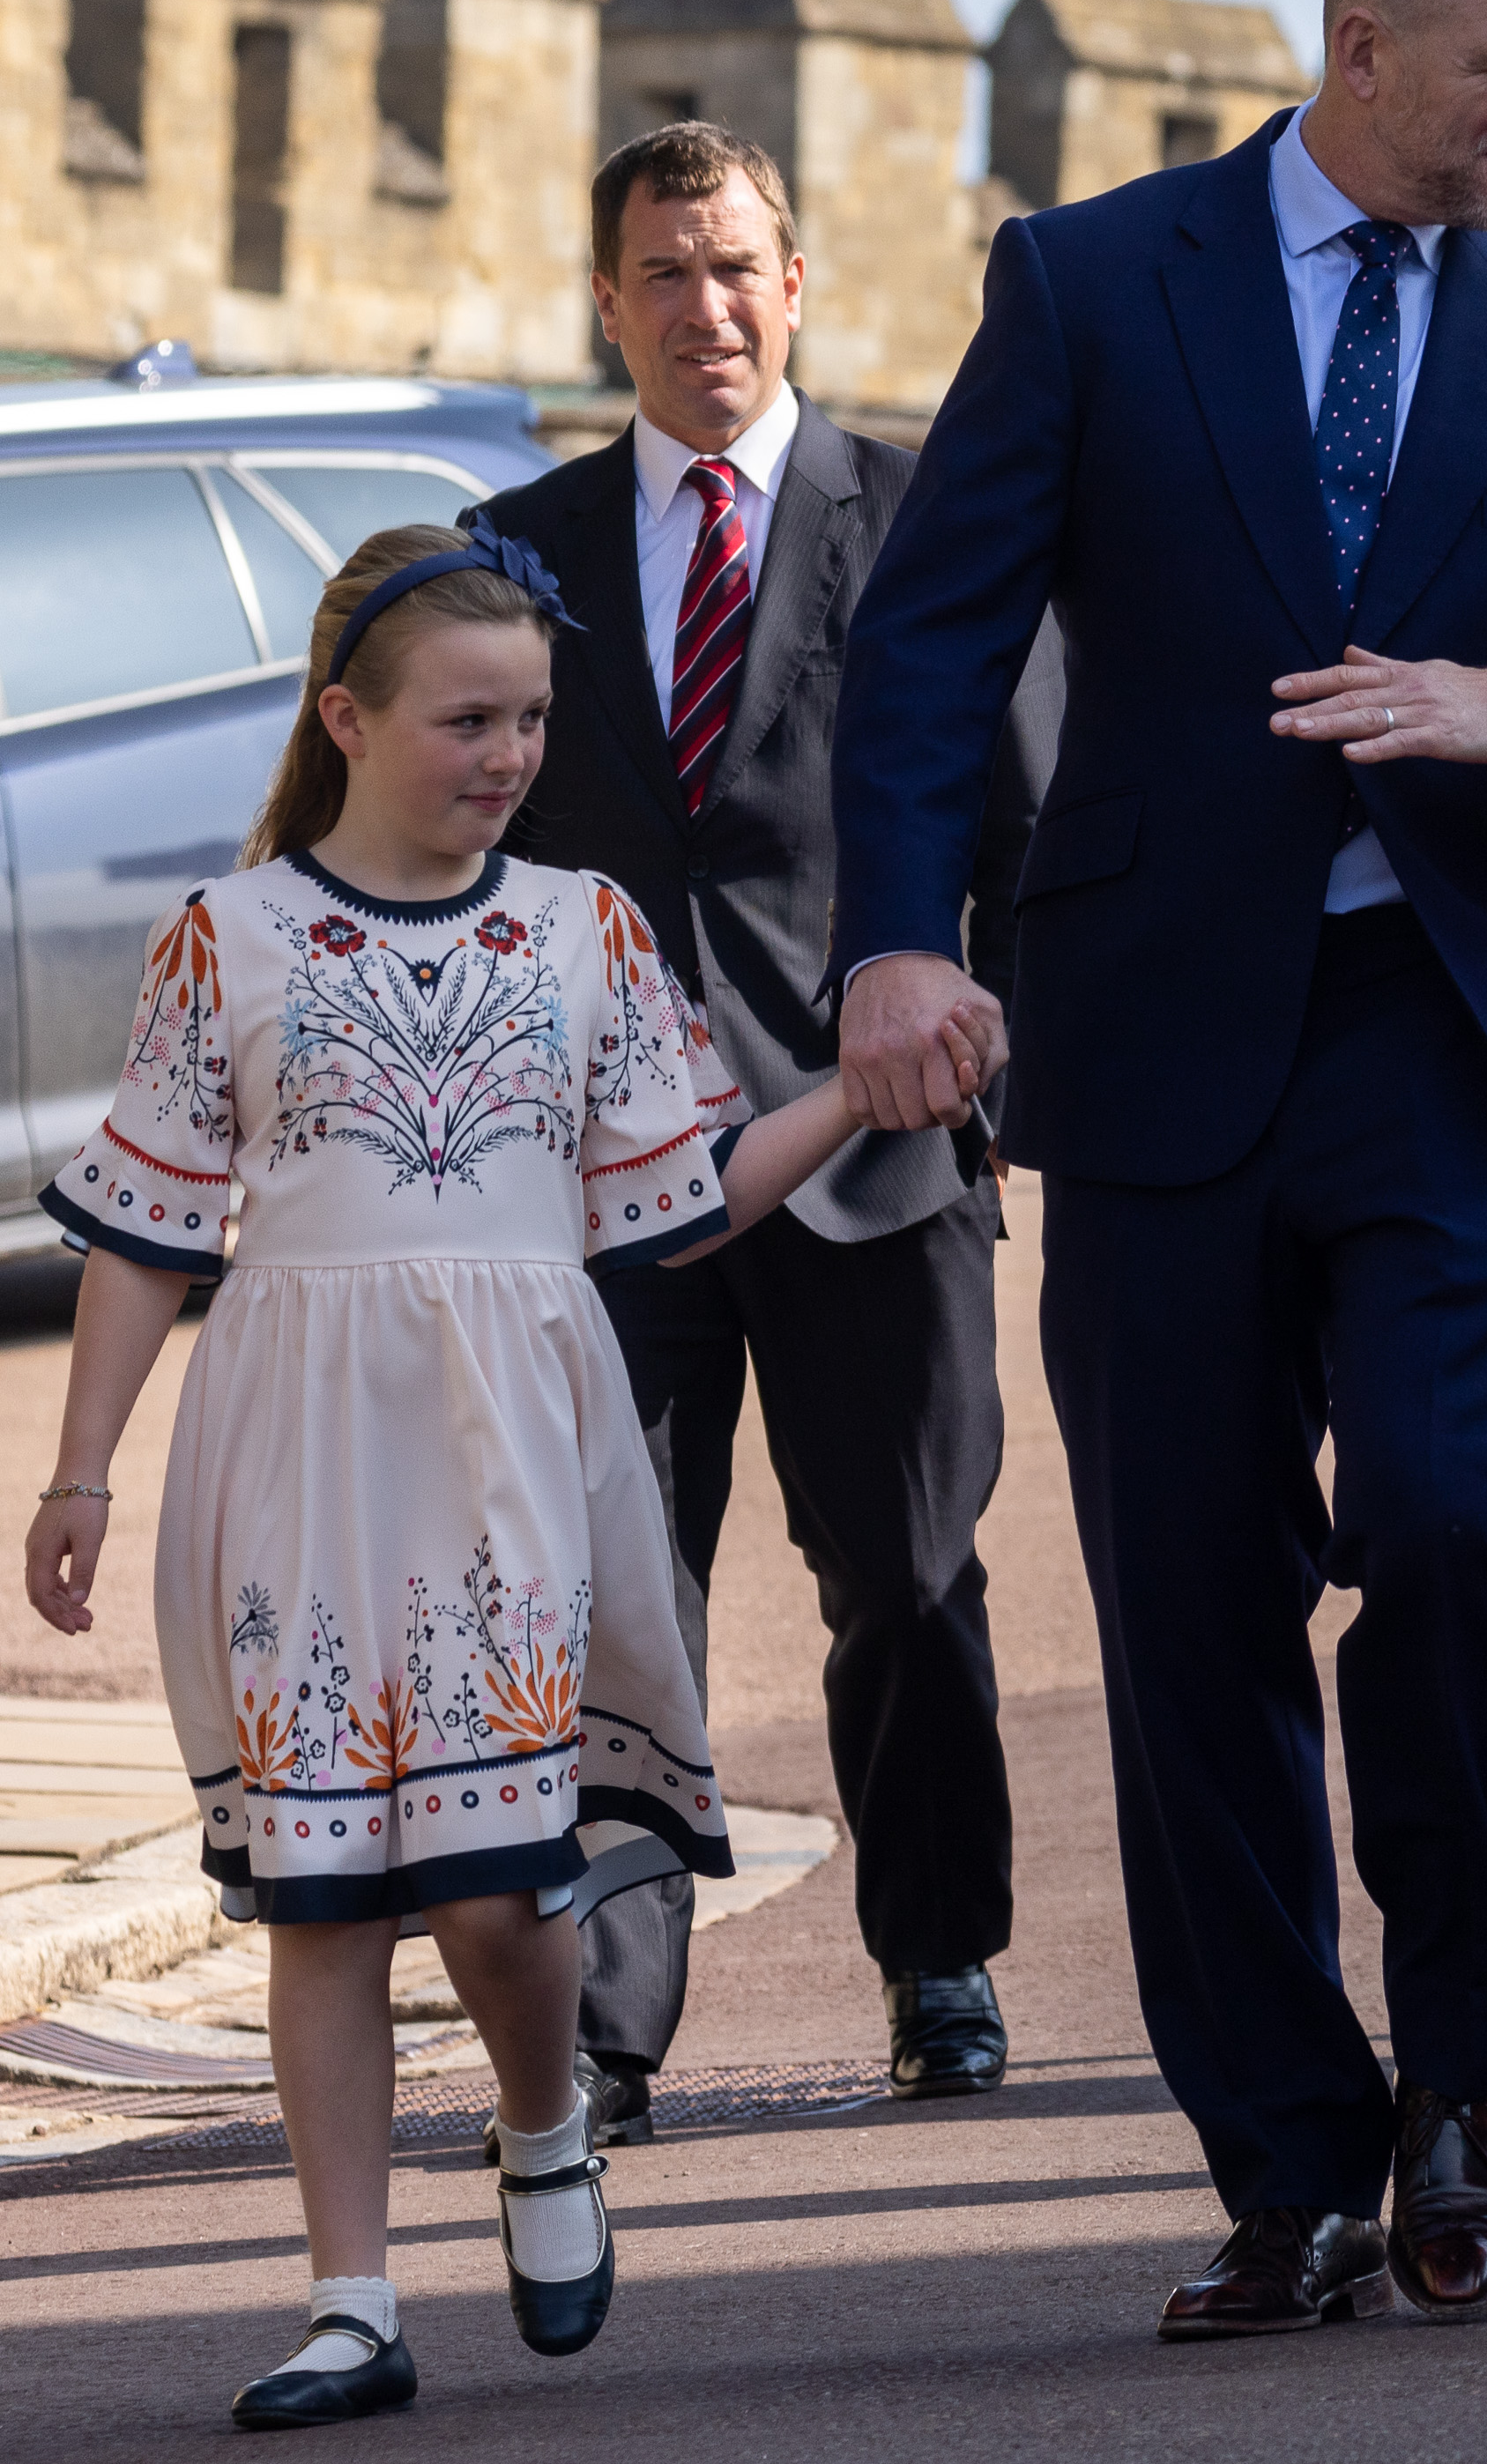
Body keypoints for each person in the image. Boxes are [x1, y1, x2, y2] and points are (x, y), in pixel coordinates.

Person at [827, 0, 1487, 2342]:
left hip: (1448, 1032)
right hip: (1155, 1031)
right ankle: (1284, 2153)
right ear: (1357, 49)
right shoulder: (1093, 281)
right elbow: (932, 640)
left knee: (1468, 1528)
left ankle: (1461, 2082)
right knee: (1187, 1603)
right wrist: (890, 938)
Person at [24, 527, 932, 2427]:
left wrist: (847, 1097)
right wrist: (83, 1466)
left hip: (514, 1446)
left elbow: (679, 1209)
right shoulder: (230, 937)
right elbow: (144, 1231)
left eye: (527, 716)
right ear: (347, 719)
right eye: (468, 718)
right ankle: (350, 2302)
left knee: (501, 1894)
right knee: (325, 1895)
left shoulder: (584, 929)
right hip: (296, 1444)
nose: (507, 750)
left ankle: (540, 2128)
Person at [473, 122, 1045, 2139]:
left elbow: (1025, 829)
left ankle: (943, 1959)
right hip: (595, 1184)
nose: (705, 308)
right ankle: (611, 2023)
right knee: (617, 1592)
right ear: (605, 303)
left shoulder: (923, 523)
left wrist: (990, 1070)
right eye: (663, 273)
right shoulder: (515, 551)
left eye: (737, 267)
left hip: (874, 1154)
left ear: (795, 281)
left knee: (904, 1572)